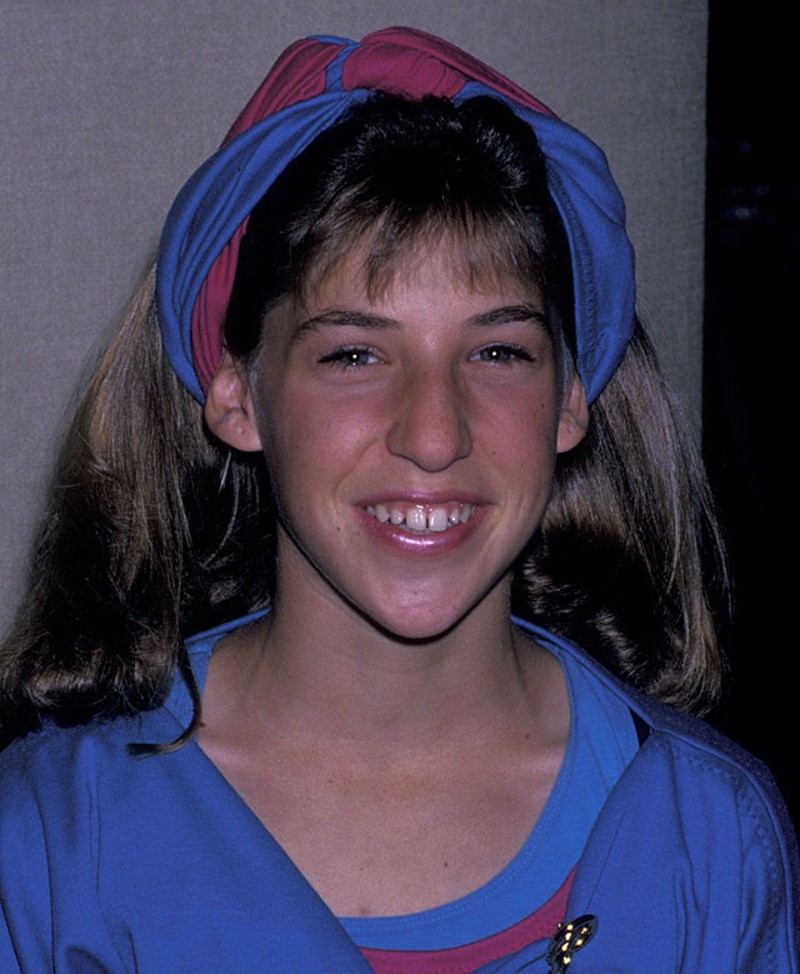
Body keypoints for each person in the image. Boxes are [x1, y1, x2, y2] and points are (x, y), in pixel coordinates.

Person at [0, 26, 796, 973]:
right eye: (354, 355)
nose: (434, 433)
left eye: (499, 352)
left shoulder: (710, 836)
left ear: (573, 401)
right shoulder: (51, 843)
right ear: (237, 394)